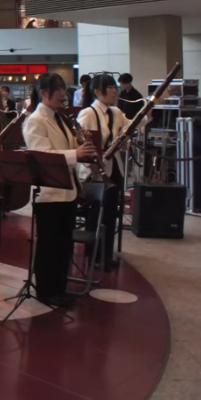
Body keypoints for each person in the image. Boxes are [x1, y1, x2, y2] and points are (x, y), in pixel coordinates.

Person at [24, 73, 99, 309]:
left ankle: (59, 287)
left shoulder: (61, 117)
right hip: (49, 193)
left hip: (67, 190)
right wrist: (76, 154)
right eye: (58, 89)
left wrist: (81, 145)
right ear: (44, 93)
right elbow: (42, 155)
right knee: (49, 244)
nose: (63, 94)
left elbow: (65, 149)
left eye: (64, 89)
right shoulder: (36, 120)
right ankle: (46, 290)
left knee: (64, 243)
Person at [78, 74, 132, 269]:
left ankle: (106, 255)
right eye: (109, 87)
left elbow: (129, 130)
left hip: (114, 168)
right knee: (97, 215)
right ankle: (95, 256)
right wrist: (94, 166)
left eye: (114, 86)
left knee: (111, 214)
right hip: (96, 172)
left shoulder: (116, 112)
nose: (114, 90)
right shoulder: (88, 114)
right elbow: (83, 145)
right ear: (97, 91)